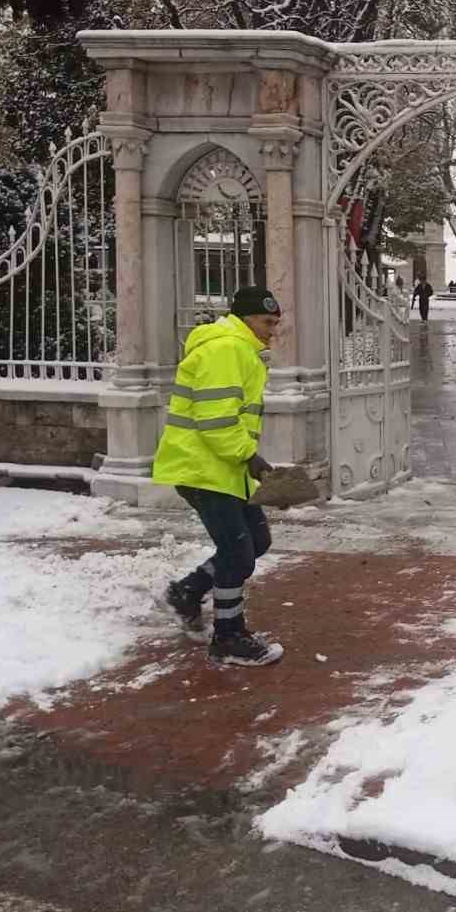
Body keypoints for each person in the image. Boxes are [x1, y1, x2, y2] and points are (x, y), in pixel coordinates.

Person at [153, 286, 286, 667]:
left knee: (255, 541)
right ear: (245, 318)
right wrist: (250, 457)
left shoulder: (241, 350)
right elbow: (215, 420)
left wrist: (246, 461)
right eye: (266, 322)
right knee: (237, 553)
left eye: (276, 322)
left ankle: (187, 591)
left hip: (223, 468)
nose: (272, 330)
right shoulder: (226, 349)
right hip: (202, 467)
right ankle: (228, 636)